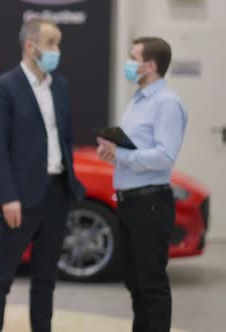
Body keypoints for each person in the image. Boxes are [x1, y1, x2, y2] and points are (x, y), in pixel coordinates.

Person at [0, 18, 85, 332]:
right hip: (21, 197)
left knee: (46, 277)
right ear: (30, 46)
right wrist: (9, 196)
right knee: (1, 277)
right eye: (52, 43)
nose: (57, 50)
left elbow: (64, 138)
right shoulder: (4, 86)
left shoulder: (60, 86)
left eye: (58, 43)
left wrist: (70, 180)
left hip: (57, 192)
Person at [97, 36, 187, 332]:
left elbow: (164, 156)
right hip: (129, 201)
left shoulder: (167, 104)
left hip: (149, 202)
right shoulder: (138, 99)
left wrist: (120, 153)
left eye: (133, 57)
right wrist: (114, 151)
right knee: (134, 282)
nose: (129, 62)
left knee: (152, 284)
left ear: (150, 65)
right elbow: (137, 149)